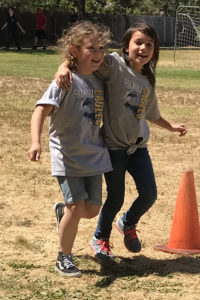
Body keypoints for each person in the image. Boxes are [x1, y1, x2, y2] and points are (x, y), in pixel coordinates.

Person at [54, 22, 187, 261]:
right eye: (138, 42)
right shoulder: (113, 64)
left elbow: (151, 113)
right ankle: (100, 238)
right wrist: (63, 66)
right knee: (115, 198)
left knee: (149, 194)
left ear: (154, 50)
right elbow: (84, 59)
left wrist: (171, 126)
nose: (143, 48)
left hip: (138, 148)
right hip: (114, 148)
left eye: (149, 44)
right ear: (126, 46)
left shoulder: (148, 79)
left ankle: (127, 222)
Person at [28, 20, 112, 277]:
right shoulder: (64, 81)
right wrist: (35, 141)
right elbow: (40, 109)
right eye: (91, 48)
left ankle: (63, 213)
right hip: (68, 156)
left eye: (101, 48)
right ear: (74, 50)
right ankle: (63, 257)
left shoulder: (99, 79)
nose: (97, 54)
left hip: (94, 157)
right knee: (76, 207)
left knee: (92, 209)